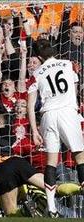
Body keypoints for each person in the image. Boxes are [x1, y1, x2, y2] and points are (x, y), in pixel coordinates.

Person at [27, 39, 84, 218]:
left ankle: (51, 209)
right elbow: (74, 92)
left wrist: (34, 131)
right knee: (80, 157)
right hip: (67, 112)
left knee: (51, 163)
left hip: (48, 115)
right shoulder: (69, 64)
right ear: (53, 50)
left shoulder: (36, 74)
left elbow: (29, 106)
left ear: (37, 56)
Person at [0, 155, 83, 217]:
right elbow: (43, 198)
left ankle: (21, 214)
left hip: (1, 171)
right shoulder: (28, 189)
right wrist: (38, 212)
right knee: (54, 189)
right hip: (18, 162)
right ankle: (80, 188)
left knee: (13, 216)